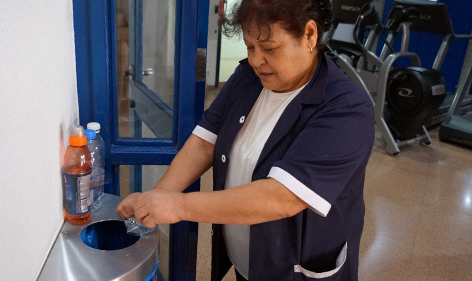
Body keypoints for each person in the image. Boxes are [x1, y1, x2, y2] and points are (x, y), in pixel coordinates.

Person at [116, 0, 375, 280]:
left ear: (309, 35)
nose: (255, 60)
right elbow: (204, 142)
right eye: (250, 47)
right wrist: (155, 201)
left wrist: (178, 206)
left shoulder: (346, 108)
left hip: (296, 268)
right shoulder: (249, 78)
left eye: (269, 48)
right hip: (250, 259)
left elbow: (281, 198)